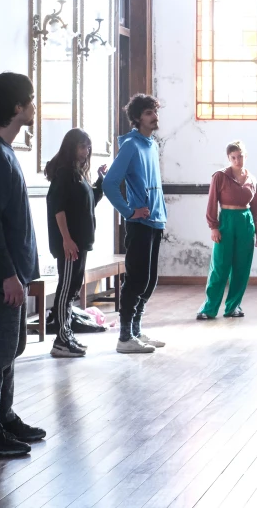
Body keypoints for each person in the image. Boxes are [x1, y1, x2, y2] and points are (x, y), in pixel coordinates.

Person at [0, 73, 46, 456]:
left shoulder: (2, 152)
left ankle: (4, 417)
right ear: (17, 107)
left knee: (10, 347)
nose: (34, 106)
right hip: (1, 276)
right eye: (30, 100)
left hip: (14, 274)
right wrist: (7, 275)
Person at [103, 94, 167, 354]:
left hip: (155, 220)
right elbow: (109, 183)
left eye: (155, 111)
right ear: (138, 117)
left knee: (150, 280)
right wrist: (129, 212)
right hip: (139, 222)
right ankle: (124, 337)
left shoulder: (151, 144)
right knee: (137, 279)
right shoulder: (130, 145)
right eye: (150, 112)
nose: (155, 116)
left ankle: (137, 331)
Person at [44, 128, 108, 358]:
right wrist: (67, 239)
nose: (86, 151)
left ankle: (67, 334)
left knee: (72, 288)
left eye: (88, 147)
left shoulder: (78, 174)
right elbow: (57, 209)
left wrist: (101, 182)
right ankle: (61, 339)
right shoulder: (64, 174)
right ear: (71, 147)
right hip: (70, 244)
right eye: (82, 146)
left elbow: (89, 202)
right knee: (66, 288)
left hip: (81, 242)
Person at [198, 141, 257, 320]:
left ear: (245, 156)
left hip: (245, 222)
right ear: (228, 158)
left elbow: (256, 207)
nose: (237, 160)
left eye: (240, 156)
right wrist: (214, 227)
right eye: (233, 157)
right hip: (226, 220)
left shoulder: (252, 179)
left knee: (242, 266)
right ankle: (209, 308)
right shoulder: (220, 176)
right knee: (220, 266)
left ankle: (233, 306)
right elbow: (212, 202)